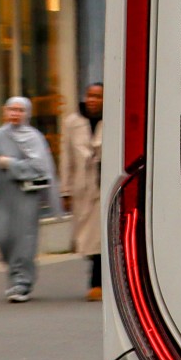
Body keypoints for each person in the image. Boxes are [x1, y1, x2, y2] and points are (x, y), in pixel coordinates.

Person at [0, 97, 61, 303]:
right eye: (11, 109)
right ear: (4, 112)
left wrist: (11, 164)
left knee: (24, 240)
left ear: (27, 114)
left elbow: (40, 168)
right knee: (2, 235)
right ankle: (15, 273)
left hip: (26, 195)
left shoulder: (35, 137)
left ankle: (22, 282)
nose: (15, 114)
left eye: (20, 110)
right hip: (2, 195)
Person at [60, 83, 104, 301]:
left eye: (98, 96)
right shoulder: (72, 122)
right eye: (90, 95)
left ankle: (97, 282)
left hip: (104, 185)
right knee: (88, 238)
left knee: (100, 237)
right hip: (82, 187)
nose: (92, 100)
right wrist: (65, 190)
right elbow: (66, 158)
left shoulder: (115, 119)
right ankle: (98, 278)